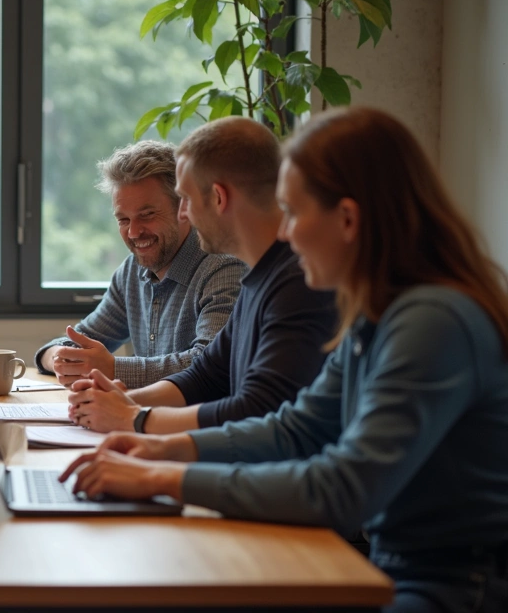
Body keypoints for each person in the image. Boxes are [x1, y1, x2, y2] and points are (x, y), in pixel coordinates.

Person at [62, 107, 508, 613]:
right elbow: (293, 427)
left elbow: (343, 487)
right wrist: (160, 451)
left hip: (451, 587)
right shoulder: (376, 316)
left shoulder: (432, 323)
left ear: (347, 219)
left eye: (293, 213)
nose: (287, 235)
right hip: (397, 570)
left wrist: (162, 473)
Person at [68, 116, 336, 435]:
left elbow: (258, 409)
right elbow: (206, 375)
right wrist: (123, 401)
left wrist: (135, 419)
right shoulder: (261, 276)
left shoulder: (295, 279)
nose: (183, 215)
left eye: (187, 200)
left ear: (219, 198)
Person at [34, 140, 243, 388]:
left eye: (147, 215)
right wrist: (59, 358)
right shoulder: (132, 271)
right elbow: (77, 342)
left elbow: (210, 367)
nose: (134, 232)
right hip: (139, 418)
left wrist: (112, 368)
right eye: (123, 219)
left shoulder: (224, 269)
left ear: (184, 208)